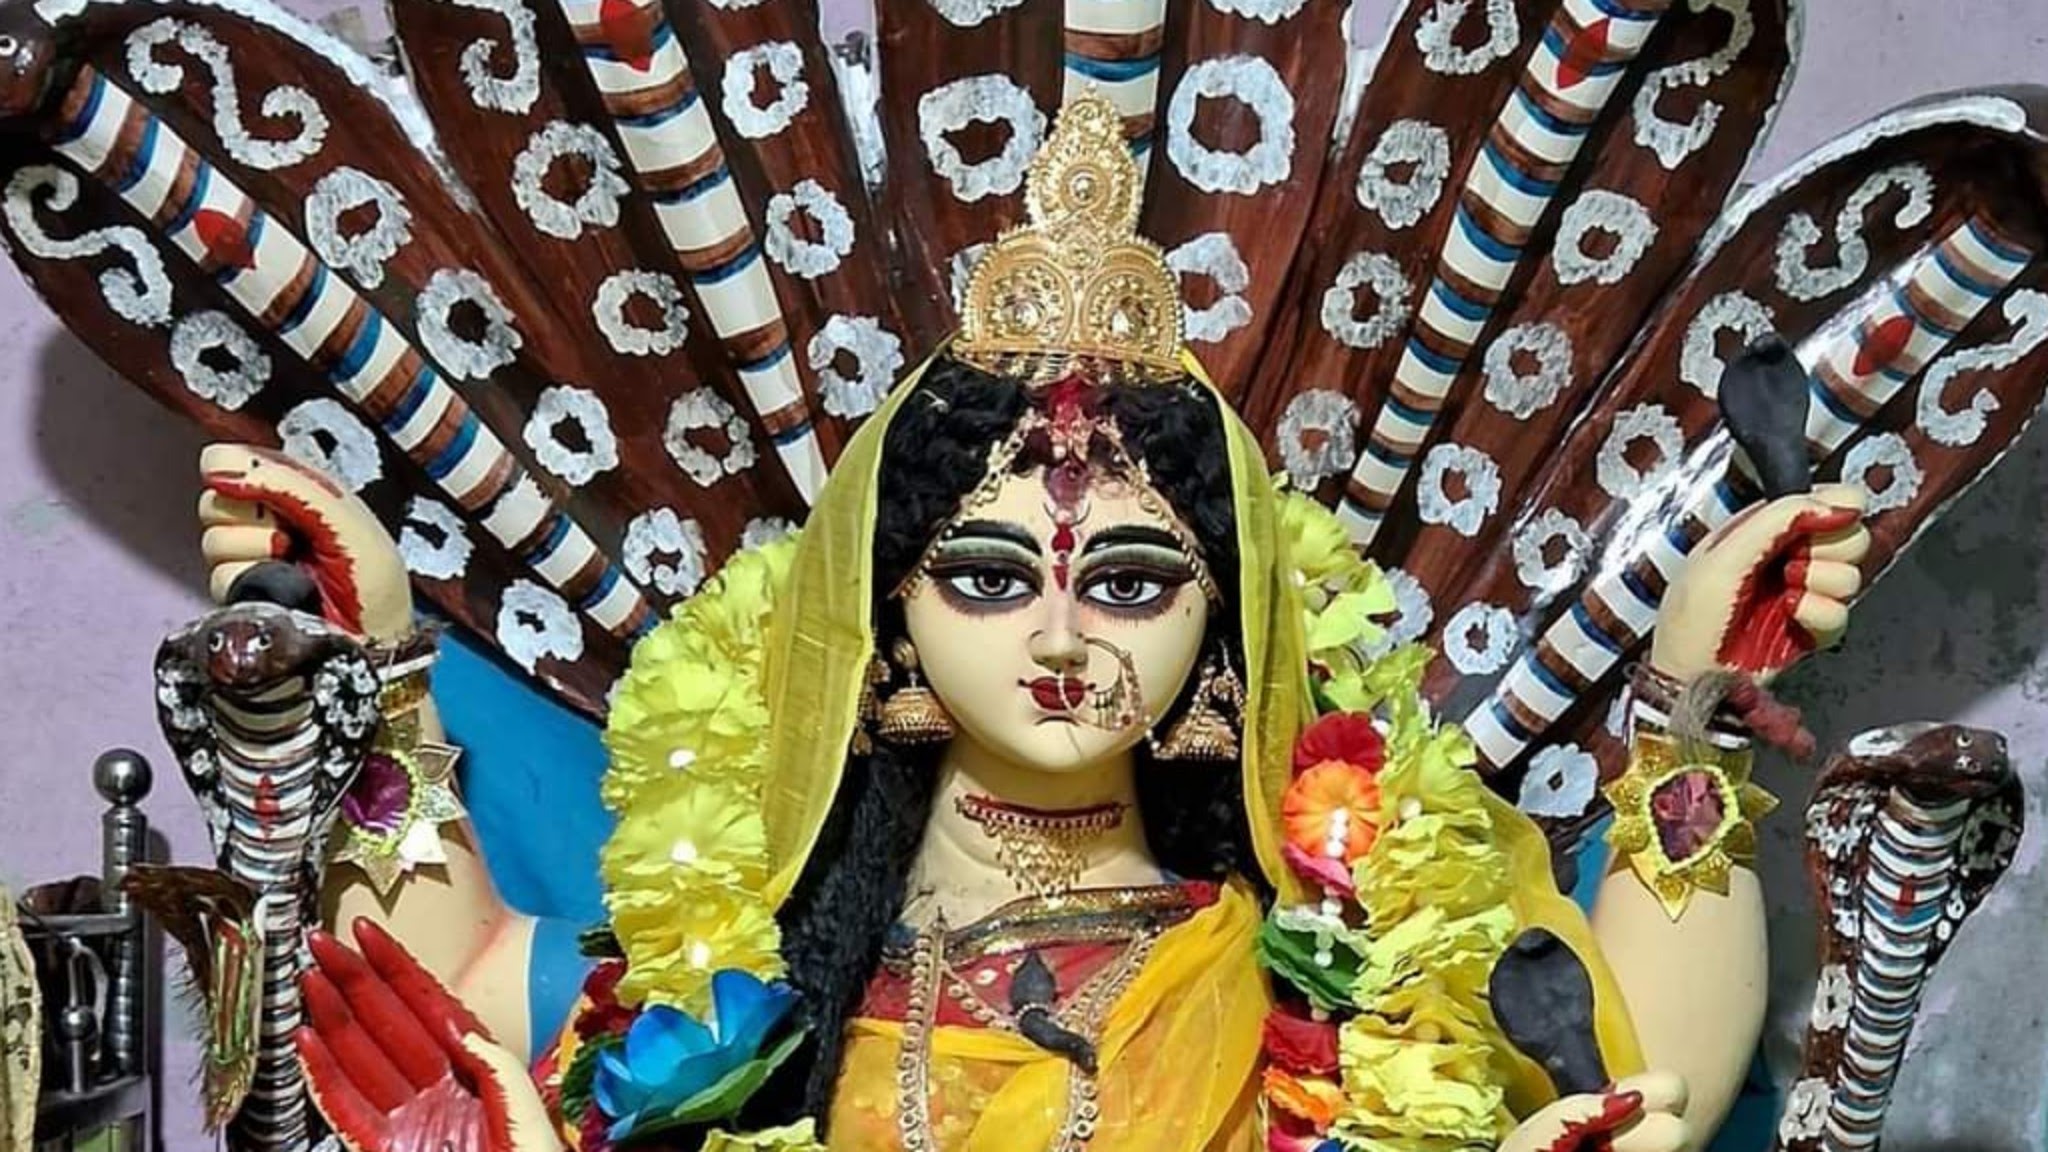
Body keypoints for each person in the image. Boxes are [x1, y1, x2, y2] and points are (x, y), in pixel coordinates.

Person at [216, 96, 1869, 1152]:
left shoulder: (1334, 986)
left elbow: (1655, 1064)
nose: (1065, 635)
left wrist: (1692, 692)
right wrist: (365, 667)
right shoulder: (732, 990)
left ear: (1224, 631)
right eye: (992, 577)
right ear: (886, 621)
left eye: (1133, 581)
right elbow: (420, 1006)